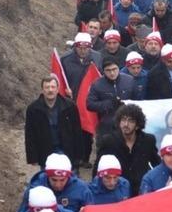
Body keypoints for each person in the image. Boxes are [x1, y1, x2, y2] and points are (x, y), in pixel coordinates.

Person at [96, 103, 160, 196]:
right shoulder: (109, 141)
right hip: (117, 190)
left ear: (137, 125)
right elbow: (98, 167)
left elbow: (156, 164)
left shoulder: (148, 140)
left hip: (142, 190)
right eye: (123, 120)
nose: (126, 124)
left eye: (131, 121)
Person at [60, 32, 102, 168]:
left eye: (86, 48)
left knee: (87, 131)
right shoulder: (65, 59)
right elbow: (60, 79)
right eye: (80, 48)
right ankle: (72, 157)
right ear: (75, 47)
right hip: (71, 99)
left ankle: (84, 158)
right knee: (71, 130)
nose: (83, 51)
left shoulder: (97, 57)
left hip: (88, 99)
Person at [24, 75, 84, 168]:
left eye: (53, 87)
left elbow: (77, 131)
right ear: (42, 90)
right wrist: (32, 157)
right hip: (45, 151)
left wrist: (79, 154)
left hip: (67, 150)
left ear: (57, 89)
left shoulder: (70, 106)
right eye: (47, 87)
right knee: (49, 179)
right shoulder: (33, 109)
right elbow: (30, 134)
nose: (50, 90)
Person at [21, 153, 93, 212]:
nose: (58, 185)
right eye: (54, 180)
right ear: (47, 176)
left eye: (62, 180)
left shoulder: (81, 189)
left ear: (68, 176)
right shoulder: (35, 189)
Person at [86, 58, 135, 141]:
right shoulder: (97, 84)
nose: (112, 73)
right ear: (103, 71)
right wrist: (109, 103)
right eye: (108, 70)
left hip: (128, 124)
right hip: (107, 126)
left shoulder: (129, 80)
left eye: (114, 69)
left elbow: (138, 100)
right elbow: (90, 104)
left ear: (119, 68)